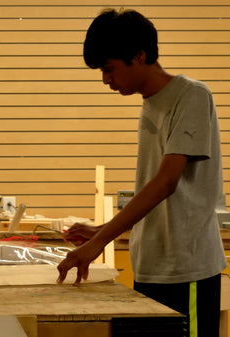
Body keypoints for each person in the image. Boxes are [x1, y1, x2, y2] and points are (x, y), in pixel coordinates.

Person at [56, 9, 226, 337]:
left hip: (185, 268)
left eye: (109, 69)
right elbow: (153, 187)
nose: (106, 80)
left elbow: (166, 181)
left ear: (140, 55)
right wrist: (101, 230)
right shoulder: (151, 102)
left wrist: (99, 243)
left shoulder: (191, 95)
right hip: (151, 266)